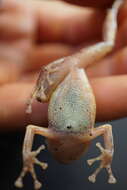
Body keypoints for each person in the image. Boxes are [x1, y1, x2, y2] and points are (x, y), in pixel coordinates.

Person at [0, 0, 127, 131]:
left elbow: (46, 70)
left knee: (107, 45)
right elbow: (46, 70)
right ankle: (113, 9)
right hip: (66, 67)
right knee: (107, 45)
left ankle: (113, 9)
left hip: (68, 66)